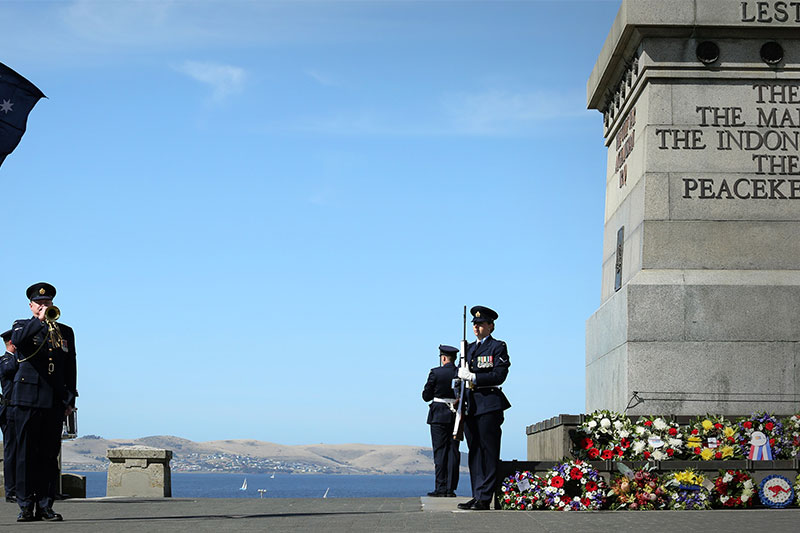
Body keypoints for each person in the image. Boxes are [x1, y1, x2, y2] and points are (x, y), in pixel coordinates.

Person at [9, 282, 77, 522]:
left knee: (49, 456)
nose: (44, 306)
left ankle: (46, 505)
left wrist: (70, 397)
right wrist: (37, 320)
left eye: (47, 303)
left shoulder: (65, 331)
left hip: (53, 400)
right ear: (31, 306)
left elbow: (70, 366)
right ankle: (26, 505)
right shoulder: (22, 326)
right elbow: (17, 342)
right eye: (40, 303)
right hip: (26, 399)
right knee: (25, 455)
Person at [456, 305, 510, 511]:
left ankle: (485, 497)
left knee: (488, 451)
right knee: (474, 451)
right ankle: (477, 494)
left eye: (480, 324)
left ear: (490, 326)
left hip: (488, 404)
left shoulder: (497, 347)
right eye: (474, 324)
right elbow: (459, 376)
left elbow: (499, 375)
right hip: (470, 405)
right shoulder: (468, 349)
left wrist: (475, 377)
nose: (476, 327)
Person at [421, 344, 460, 497]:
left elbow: (426, 396)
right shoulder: (460, 373)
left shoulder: (435, 373)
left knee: (440, 452)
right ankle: (450, 489)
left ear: (443, 358)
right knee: (453, 452)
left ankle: (440, 487)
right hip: (456, 415)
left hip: (438, 415)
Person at [0, 330, 18, 502]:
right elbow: (10, 370)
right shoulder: (6, 360)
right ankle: (11, 490)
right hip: (9, 410)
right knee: (11, 451)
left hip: (20, 409)